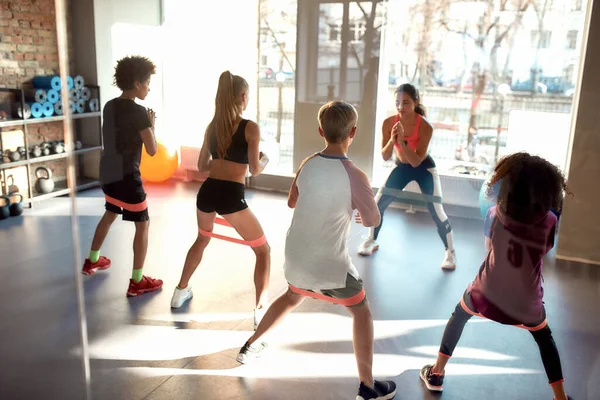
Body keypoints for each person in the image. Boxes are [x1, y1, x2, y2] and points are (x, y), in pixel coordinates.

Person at [236, 101, 397, 400]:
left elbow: (292, 202)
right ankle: (367, 386)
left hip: (295, 258)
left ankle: (250, 345)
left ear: (321, 131)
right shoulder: (355, 174)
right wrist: (359, 211)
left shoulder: (308, 163)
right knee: (361, 311)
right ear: (354, 132)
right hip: (329, 266)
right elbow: (373, 219)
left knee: (291, 297)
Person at [420, 152, 572, 400]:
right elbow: (545, 250)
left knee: (458, 316)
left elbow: (488, 248)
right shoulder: (550, 221)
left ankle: (436, 373)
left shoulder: (493, 213)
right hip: (527, 306)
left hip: (485, 296)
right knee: (546, 340)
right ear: (548, 192)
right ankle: (560, 397)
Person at [170, 71, 271, 330]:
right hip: (230, 195)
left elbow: (202, 165)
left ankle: (180, 291)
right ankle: (260, 310)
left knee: (202, 238)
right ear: (243, 97)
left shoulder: (212, 126)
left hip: (208, 192)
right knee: (263, 250)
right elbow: (255, 169)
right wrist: (264, 159)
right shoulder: (250, 127)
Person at [81, 55, 163, 297]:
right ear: (137, 83)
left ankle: (92, 260)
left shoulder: (109, 105)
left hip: (107, 172)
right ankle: (137, 281)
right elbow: (152, 149)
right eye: (147, 82)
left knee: (110, 213)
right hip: (128, 176)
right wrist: (151, 126)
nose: (148, 87)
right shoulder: (139, 112)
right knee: (143, 224)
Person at [358, 84, 456, 270]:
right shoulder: (388, 123)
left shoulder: (425, 126)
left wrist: (402, 142)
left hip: (423, 168)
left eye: (405, 103)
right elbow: (386, 156)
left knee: (436, 210)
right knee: (378, 204)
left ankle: (450, 253)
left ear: (415, 102)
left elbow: (416, 162)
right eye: (397, 103)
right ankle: (372, 239)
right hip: (401, 166)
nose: (400, 107)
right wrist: (392, 140)